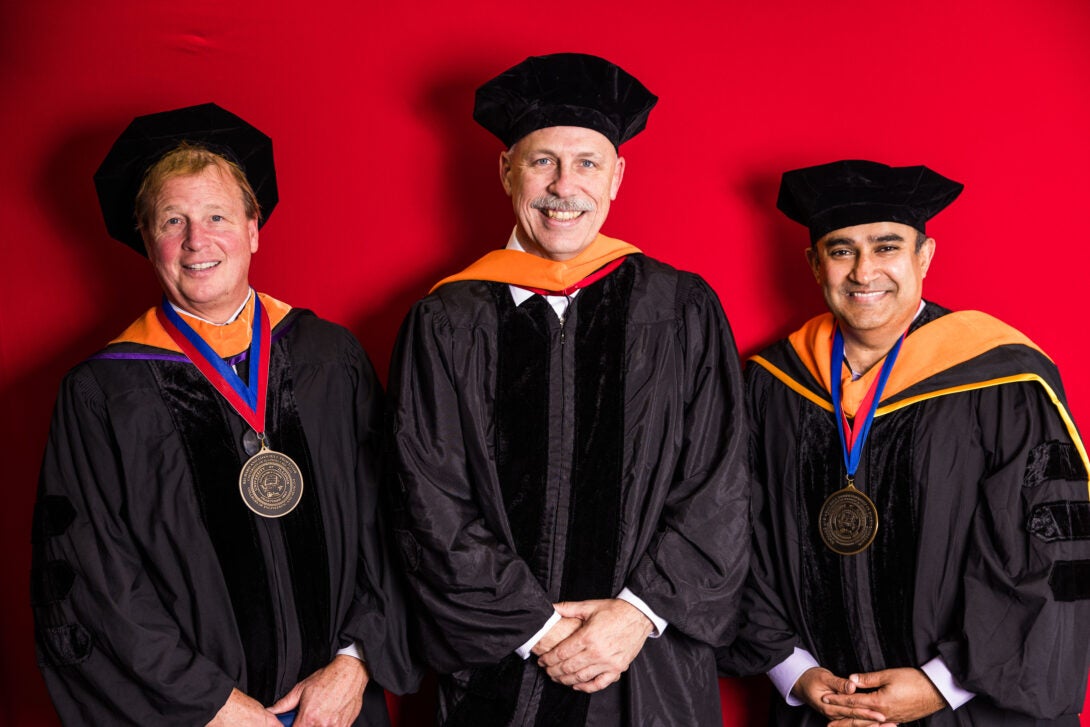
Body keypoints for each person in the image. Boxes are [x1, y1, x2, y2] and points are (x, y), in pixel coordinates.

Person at [384, 53, 749, 726]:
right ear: (506, 172)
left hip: (647, 671)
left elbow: (719, 484)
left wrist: (636, 615)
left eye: (586, 163)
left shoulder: (679, 308)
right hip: (499, 669)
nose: (564, 185)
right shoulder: (446, 320)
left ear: (617, 177)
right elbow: (427, 498)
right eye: (542, 161)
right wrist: (538, 629)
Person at [30, 103, 418, 726]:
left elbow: (396, 519)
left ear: (253, 227)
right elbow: (95, 580)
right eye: (172, 221)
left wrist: (357, 659)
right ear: (146, 240)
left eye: (216, 216)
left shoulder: (329, 358)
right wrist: (210, 705)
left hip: (339, 709)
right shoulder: (103, 393)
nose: (196, 241)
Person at [718, 159, 1090, 726]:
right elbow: (732, 531)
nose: (864, 271)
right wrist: (793, 671)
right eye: (841, 250)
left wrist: (942, 684)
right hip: (819, 707)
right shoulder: (773, 383)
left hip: (967, 709)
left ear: (925, 256)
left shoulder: (1004, 382)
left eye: (887, 246)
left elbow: (1051, 554)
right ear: (814, 264)